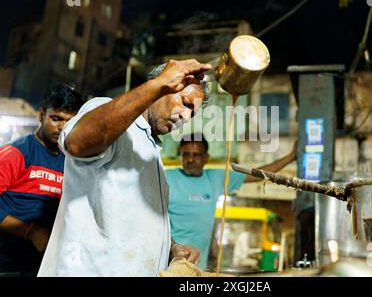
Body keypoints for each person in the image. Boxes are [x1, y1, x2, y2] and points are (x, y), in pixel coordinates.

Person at [37, 59, 212, 277]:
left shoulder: (151, 151)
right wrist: (157, 84)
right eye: (185, 103)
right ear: (163, 86)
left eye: (192, 114)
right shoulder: (108, 114)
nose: (186, 117)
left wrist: (171, 247)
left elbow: (134, 220)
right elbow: (76, 143)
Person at [166, 133, 296, 269]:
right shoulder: (167, 178)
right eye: (186, 154)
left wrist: (291, 157)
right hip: (170, 263)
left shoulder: (216, 178)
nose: (190, 159)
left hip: (198, 266)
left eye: (196, 154)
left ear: (206, 158)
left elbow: (259, 174)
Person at [0, 84, 84, 276]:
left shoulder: (71, 161)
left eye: (69, 121)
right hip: (7, 264)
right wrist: (30, 231)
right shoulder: (17, 153)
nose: (62, 127)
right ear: (40, 115)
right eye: (56, 118)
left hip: (45, 264)